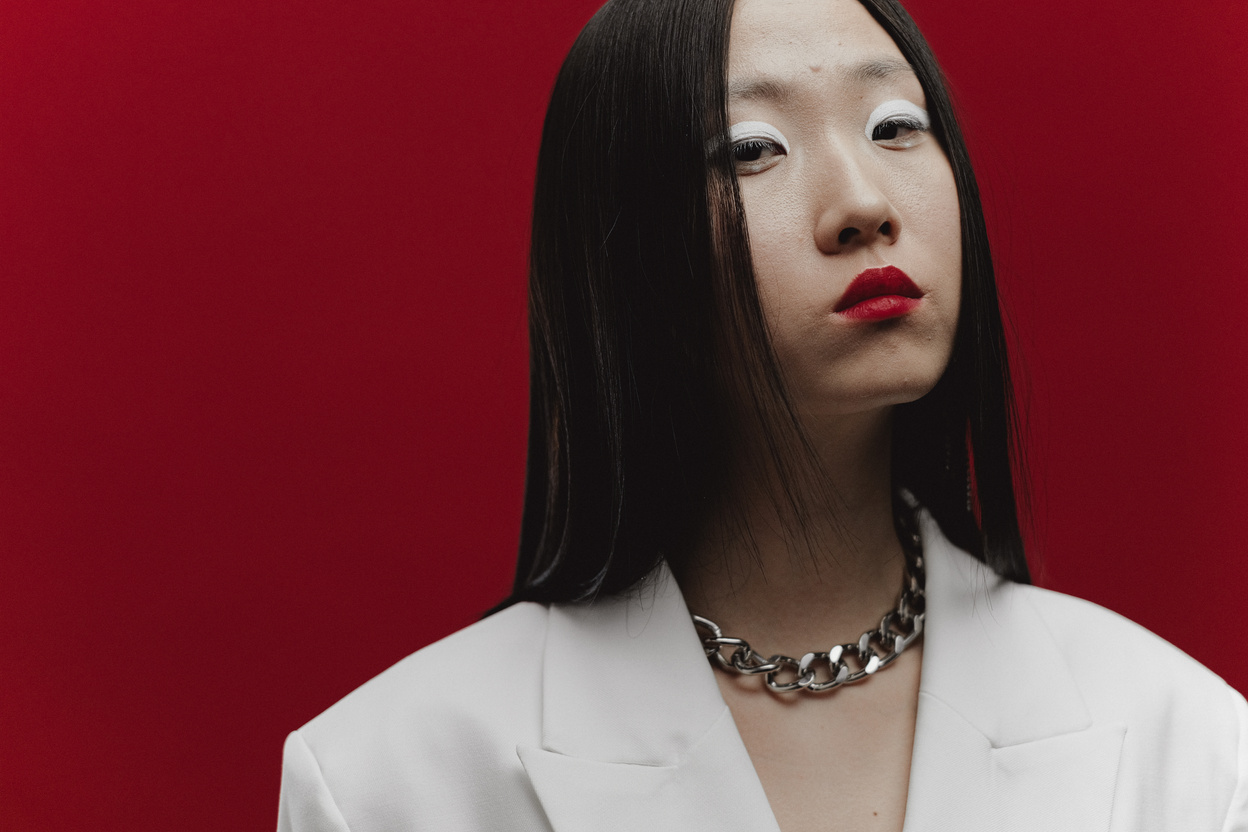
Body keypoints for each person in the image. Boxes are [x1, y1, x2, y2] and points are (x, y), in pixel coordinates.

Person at [276, 0, 1247, 829]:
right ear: (622, 252)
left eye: (898, 125)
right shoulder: (389, 782)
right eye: (753, 148)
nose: (863, 202)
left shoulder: (1188, 747)